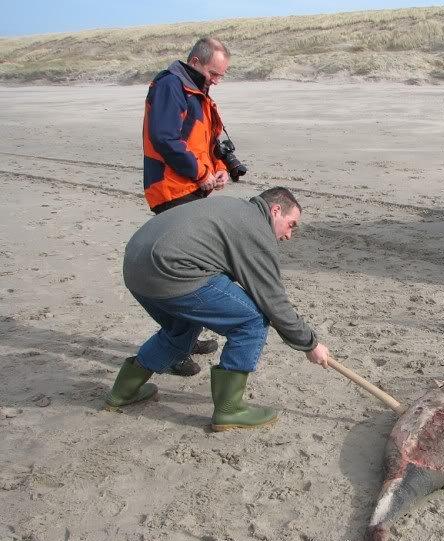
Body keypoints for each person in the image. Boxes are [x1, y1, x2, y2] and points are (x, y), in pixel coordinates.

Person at [107, 187, 330, 432]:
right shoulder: (256, 229)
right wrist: (309, 344)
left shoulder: (233, 207)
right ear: (275, 210)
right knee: (252, 320)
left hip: (135, 267)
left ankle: (124, 391)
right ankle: (229, 410)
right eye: (291, 225)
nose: (289, 235)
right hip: (170, 271)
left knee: (180, 328)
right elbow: (272, 301)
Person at [142, 37, 233, 376]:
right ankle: (174, 347)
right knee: (184, 277)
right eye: (213, 73)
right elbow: (166, 138)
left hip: (190, 190)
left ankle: (185, 336)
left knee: (196, 271)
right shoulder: (171, 87)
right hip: (171, 191)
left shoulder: (196, 91)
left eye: (221, 76)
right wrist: (200, 173)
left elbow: (203, 142)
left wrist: (218, 169)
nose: (216, 81)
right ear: (195, 61)